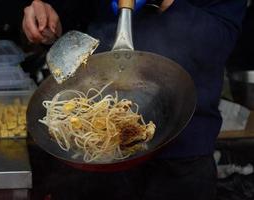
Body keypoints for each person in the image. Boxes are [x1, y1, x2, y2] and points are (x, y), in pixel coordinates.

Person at [23, 0, 247, 199]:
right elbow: (74, 15)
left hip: (180, 155)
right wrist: (48, 16)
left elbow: (219, 42)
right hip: (90, 149)